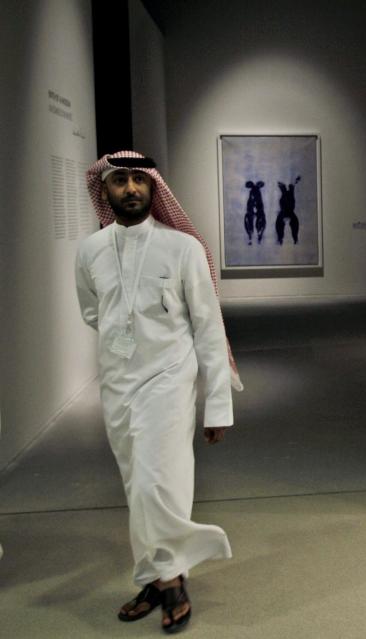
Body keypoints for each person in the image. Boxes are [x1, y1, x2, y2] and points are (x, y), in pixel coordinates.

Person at [75, 151, 242, 633]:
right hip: (117, 383)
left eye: (138, 181)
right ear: (105, 190)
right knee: (137, 486)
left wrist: (217, 407)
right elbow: (93, 312)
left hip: (170, 378)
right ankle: (152, 574)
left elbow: (209, 328)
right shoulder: (89, 251)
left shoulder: (183, 248)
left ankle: (170, 581)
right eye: (120, 181)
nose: (130, 189)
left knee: (157, 482)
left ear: (153, 187)